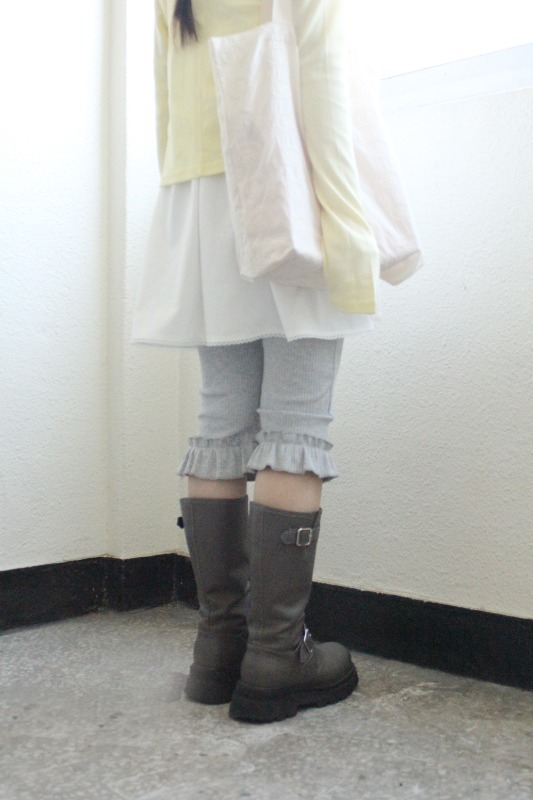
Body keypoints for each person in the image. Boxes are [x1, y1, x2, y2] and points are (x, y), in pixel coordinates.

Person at [133, 0, 380, 723]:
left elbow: (167, 110)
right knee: (295, 426)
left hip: (197, 205)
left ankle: (218, 648)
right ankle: (275, 657)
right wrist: (350, 229)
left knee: (220, 421)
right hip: (287, 188)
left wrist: (189, 208)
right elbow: (322, 86)